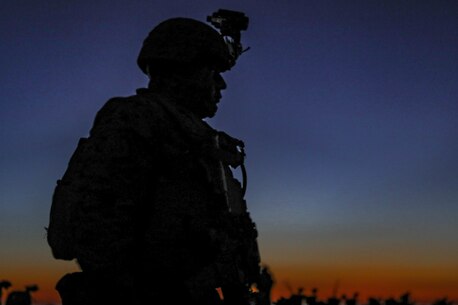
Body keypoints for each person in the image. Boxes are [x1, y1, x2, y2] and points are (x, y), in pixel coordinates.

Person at [47, 11, 261, 305]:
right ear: (181, 70)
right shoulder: (136, 119)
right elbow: (97, 230)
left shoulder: (195, 136)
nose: (221, 86)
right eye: (213, 73)